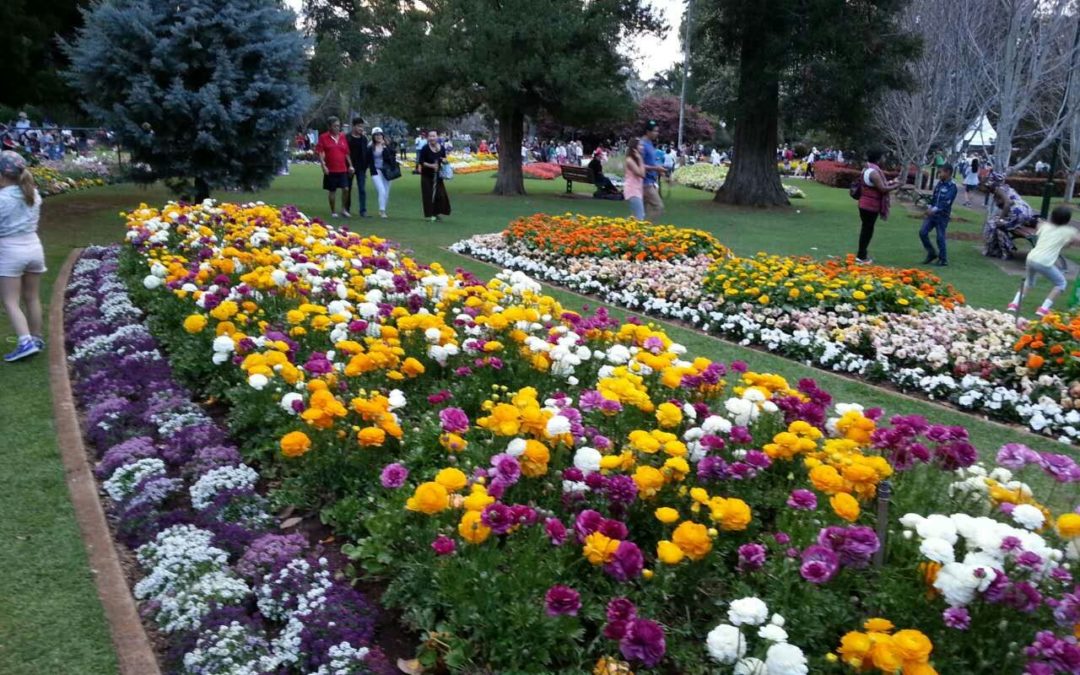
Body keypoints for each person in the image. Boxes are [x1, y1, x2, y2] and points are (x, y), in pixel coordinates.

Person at [0, 151, 45, 362]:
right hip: (34, 247)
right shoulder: (34, 195)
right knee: (32, 297)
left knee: (10, 300)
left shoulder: (2, 199)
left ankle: (25, 341)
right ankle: (36, 338)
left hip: (10, 250)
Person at [1008, 206, 1079, 317]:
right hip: (1044, 262)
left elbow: (1044, 233)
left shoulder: (1044, 226)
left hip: (1031, 258)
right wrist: (1070, 241)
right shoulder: (1069, 231)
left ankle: (1014, 304)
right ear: (1068, 220)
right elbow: (1076, 240)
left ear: (1052, 216)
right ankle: (1043, 308)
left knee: (1029, 282)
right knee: (1061, 284)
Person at [855, 148, 902, 264]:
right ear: (878, 158)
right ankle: (861, 256)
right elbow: (882, 188)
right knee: (867, 230)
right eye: (883, 157)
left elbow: (879, 185)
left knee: (866, 229)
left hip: (864, 204)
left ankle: (862, 254)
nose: (884, 159)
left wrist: (892, 182)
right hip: (870, 206)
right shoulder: (874, 172)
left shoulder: (867, 168)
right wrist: (897, 185)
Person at [981, 172, 1038, 260]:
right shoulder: (1006, 188)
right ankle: (999, 250)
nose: (988, 187)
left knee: (993, 225)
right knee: (995, 224)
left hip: (1018, 214)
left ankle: (1002, 250)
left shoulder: (999, 189)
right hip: (1023, 213)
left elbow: (1008, 203)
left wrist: (1001, 219)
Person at [919, 165, 957, 266]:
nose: (939, 174)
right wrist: (929, 207)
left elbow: (946, 202)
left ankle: (943, 259)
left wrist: (934, 210)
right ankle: (931, 253)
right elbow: (934, 197)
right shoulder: (940, 184)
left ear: (948, 172)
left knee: (940, 237)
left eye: (941, 172)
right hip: (932, 214)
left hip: (942, 215)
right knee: (922, 232)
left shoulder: (952, 186)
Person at [315, 117, 353, 218]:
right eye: (335, 126)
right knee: (332, 190)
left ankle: (344, 209)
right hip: (331, 169)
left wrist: (351, 166)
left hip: (343, 169)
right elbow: (320, 152)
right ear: (330, 127)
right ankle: (333, 211)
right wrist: (323, 166)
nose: (337, 128)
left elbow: (346, 153)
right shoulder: (323, 137)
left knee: (346, 188)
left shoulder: (342, 137)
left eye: (338, 125)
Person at [419, 130, 450, 221]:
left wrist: (444, 161)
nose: (432, 138)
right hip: (426, 175)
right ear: (428, 138)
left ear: (437, 137)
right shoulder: (425, 148)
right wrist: (431, 165)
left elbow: (444, 158)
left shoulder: (442, 148)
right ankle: (431, 214)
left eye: (434, 136)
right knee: (428, 195)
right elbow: (421, 161)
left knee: (440, 195)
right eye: (430, 136)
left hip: (438, 176)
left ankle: (437, 213)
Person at [640, 121, 667, 222]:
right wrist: (656, 169)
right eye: (655, 131)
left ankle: (634, 230)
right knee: (658, 207)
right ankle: (645, 230)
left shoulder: (650, 143)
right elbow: (639, 165)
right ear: (648, 131)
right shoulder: (642, 145)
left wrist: (660, 170)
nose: (657, 133)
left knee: (640, 212)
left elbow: (650, 162)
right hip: (644, 182)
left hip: (650, 181)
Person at [368, 127, 397, 218]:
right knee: (381, 190)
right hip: (376, 171)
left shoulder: (387, 145)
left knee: (386, 192)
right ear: (373, 136)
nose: (378, 136)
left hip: (387, 171)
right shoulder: (370, 146)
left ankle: (383, 209)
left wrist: (385, 147)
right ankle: (382, 210)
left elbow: (392, 156)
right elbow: (367, 159)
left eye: (380, 134)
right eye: (376, 135)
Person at [345, 117, 371, 218]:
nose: (361, 129)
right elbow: (345, 153)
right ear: (354, 126)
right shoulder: (347, 138)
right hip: (349, 167)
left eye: (362, 127)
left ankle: (363, 211)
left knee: (362, 189)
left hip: (361, 168)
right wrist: (349, 165)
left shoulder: (363, 139)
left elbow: (365, 153)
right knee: (348, 188)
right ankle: (346, 209)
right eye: (359, 126)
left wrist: (366, 167)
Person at [623, 138, 647, 220]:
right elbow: (642, 174)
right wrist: (640, 159)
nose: (642, 147)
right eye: (640, 145)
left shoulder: (634, 160)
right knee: (640, 216)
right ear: (634, 148)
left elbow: (642, 169)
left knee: (635, 216)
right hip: (632, 191)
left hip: (637, 190)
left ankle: (621, 228)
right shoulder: (630, 160)